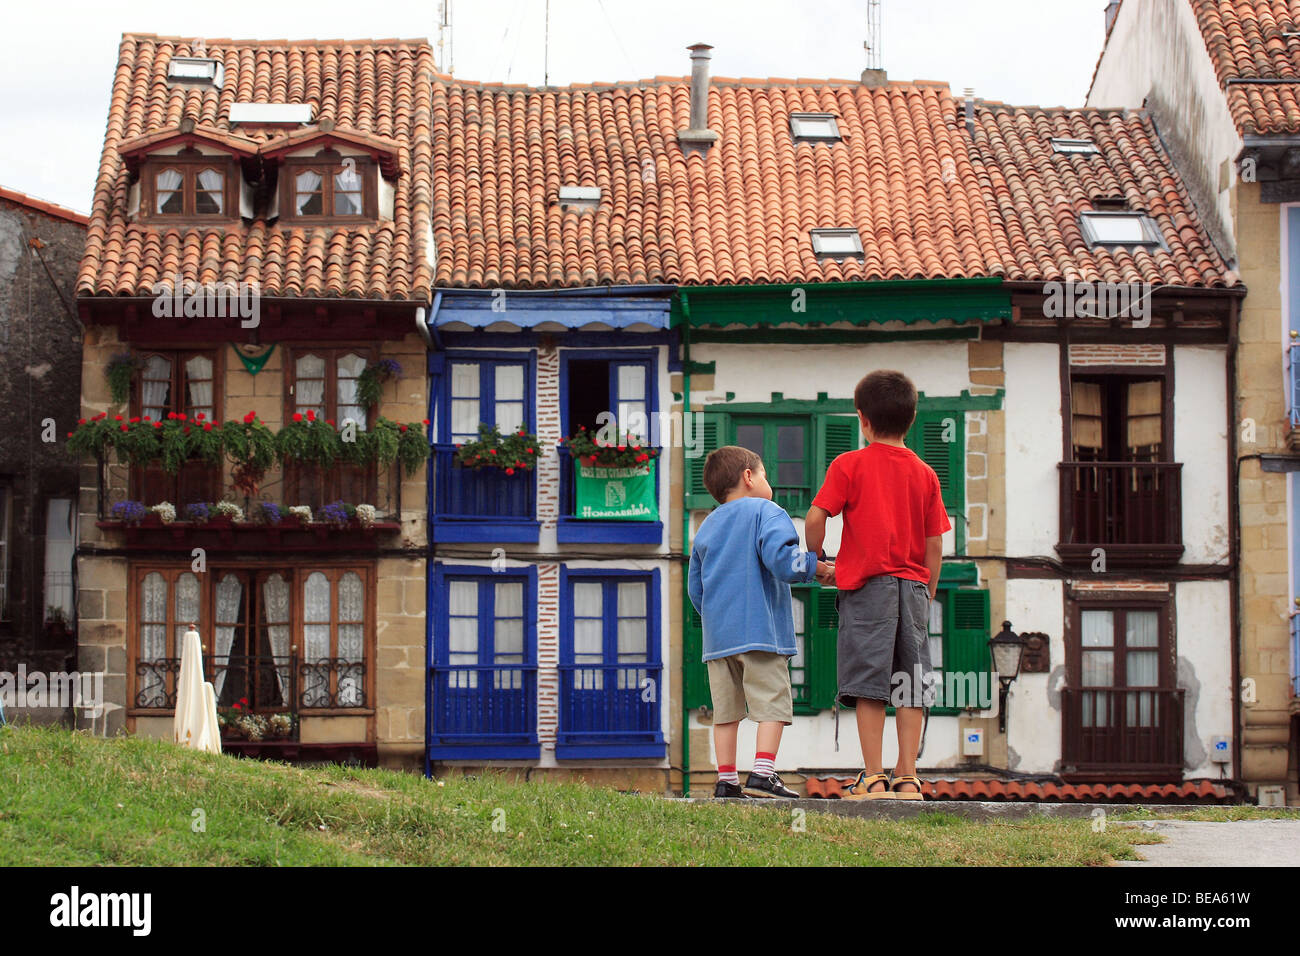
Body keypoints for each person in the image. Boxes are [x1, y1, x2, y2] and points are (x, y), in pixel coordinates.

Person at [805, 370, 950, 800]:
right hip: (914, 587)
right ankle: (908, 777)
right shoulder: (926, 473)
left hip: (868, 589)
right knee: (909, 682)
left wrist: (820, 560)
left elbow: (816, 519)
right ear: (912, 418)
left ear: (862, 419)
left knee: (869, 683)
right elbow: (935, 545)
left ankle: (873, 776)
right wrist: (929, 590)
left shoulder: (849, 464)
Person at [688, 445, 835, 798]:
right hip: (761, 632)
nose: (768, 481)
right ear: (749, 477)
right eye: (765, 474)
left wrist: (716, 618)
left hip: (719, 639)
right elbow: (783, 561)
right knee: (772, 703)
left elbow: (696, 588)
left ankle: (726, 781)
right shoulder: (767, 511)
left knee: (726, 712)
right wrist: (818, 568)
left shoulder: (706, 525)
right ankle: (763, 773)